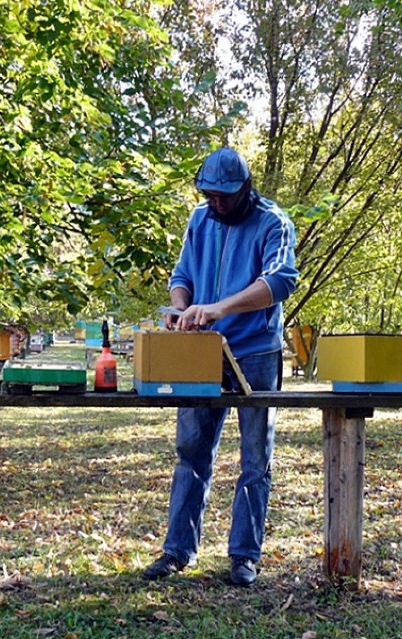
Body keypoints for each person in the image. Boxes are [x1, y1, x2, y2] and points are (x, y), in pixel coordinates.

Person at [143, 147, 298, 586]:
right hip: (200, 350)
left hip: (255, 352)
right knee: (190, 451)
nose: (217, 204)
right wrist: (181, 308)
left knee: (255, 457)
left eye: (225, 196)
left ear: (246, 188)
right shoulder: (200, 219)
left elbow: (282, 280)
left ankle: (244, 557)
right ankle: (177, 551)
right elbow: (182, 277)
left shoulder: (273, 222)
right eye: (210, 195)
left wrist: (217, 309)